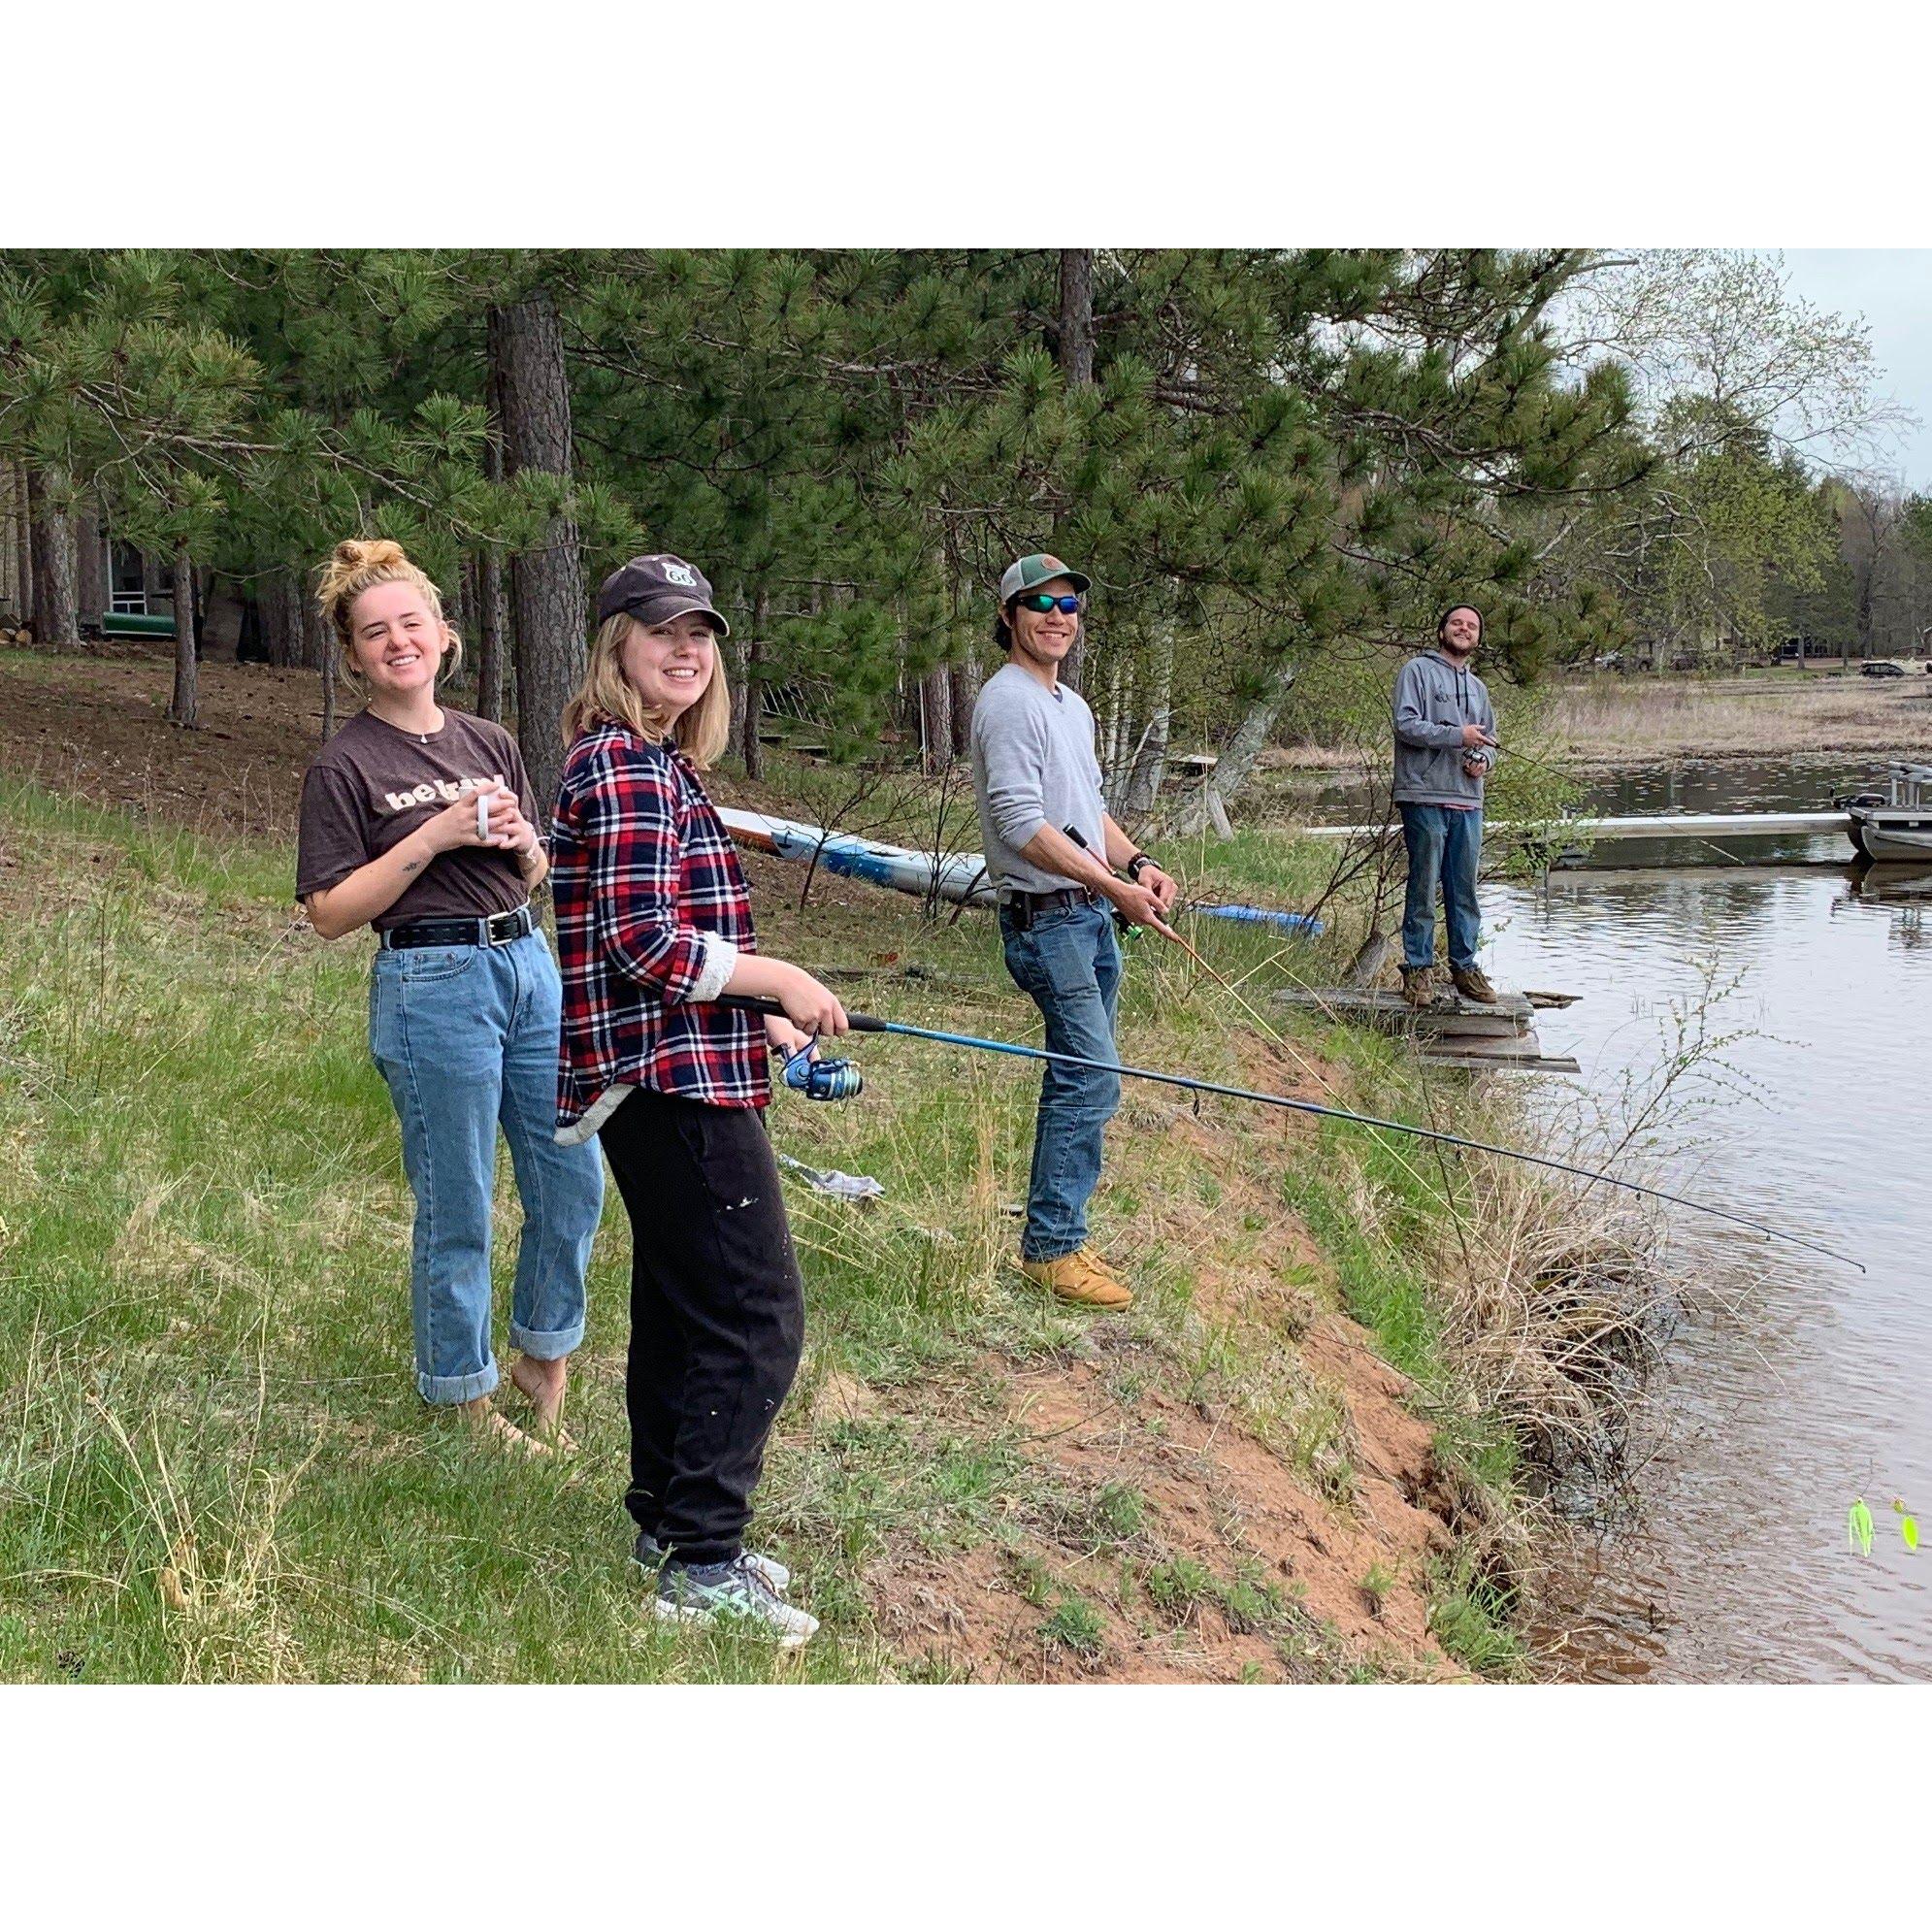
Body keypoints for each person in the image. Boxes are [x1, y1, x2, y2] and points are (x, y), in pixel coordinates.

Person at [549, 552, 847, 1648]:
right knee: (755, 1314)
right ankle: (703, 1562)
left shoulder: (652, 763)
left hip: (681, 1063)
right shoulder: (624, 768)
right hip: (664, 1081)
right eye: (662, 628)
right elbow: (642, 945)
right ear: (617, 643)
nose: (686, 648)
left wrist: (759, 1014)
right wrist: (780, 980)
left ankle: (669, 1531)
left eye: (702, 633)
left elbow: (671, 945)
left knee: (682, 1308)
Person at [295, 539, 605, 1452]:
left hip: (525, 965)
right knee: (459, 1197)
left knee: (572, 1174)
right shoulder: (343, 765)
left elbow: (537, 868)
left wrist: (520, 843)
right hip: (430, 982)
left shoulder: (489, 741)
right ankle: (461, 1398)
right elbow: (329, 911)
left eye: (411, 623)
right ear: (353, 656)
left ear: (445, 634)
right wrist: (429, 835)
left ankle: (542, 1356)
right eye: (374, 632)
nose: (398, 642)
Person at [968, 552, 1180, 1313]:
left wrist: (1138, 864)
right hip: (1045, 920)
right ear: (1008, 616)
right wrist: (1111, 886)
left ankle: (1064, 1231)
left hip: (1087, 916)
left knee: (1090, 1075)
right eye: (1039, 603)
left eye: (1069, 604)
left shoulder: (1073, 707)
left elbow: (1086, 816)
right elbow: (1022, 825)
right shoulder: (1007, 703)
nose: (1057, 615)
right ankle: (1051, 1250)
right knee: (1087, 1074)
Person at [1392, 602, 1500, 1008]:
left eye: (1472, 625)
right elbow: (1405, 725)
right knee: (1423, 885)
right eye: (1457, 622)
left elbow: (1491, 744)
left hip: (1468, 800)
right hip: (1423, 795)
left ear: (1478, 637)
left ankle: (1465, 969)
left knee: (1464, 890)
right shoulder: (1416, 672)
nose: (1464, 629)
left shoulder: (1479, 688)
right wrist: (1459, 736)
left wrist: (1482, 762)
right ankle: (1418, 972)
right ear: (1442, 632)